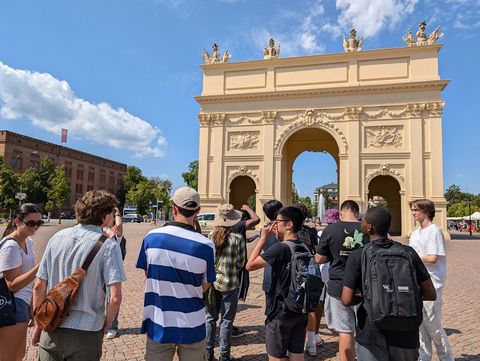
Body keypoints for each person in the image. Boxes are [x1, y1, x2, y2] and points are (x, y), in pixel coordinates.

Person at [32, 191, 126, 361]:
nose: (114, 216)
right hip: (87, 331)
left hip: (52, 326)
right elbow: (115, 298)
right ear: (104, 216)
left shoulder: (56, 237)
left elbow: (39, 286)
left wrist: (39, 324)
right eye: (113, 213)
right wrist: (106, 324)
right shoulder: (109, 247)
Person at [342, 206, 437, 361]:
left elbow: (346, 299)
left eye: (363, 221)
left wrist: (369, 296)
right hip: (407, 333)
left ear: (369, 227)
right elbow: (430, 294)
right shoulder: (408, 252)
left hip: (372, 334)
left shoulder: (358, 255)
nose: (361, 224)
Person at [136, 187, 215, 361]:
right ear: (198, 211)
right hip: (193, 322)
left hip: (160, 321)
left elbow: (148, 274)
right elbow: (206, 284)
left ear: (174, 208)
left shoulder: (151, 238)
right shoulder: (206, 245)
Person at [246, 206, 308, 361]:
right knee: (297, 354)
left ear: (289, 224)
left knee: (277, 356)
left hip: (281, 310)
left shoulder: (279, 249)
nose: (274, 224)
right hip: (300, 308)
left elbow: (250, 265)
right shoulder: (305, 246)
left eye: (278, 221)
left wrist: (262, 239)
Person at [315, 200, 363, 361]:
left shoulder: (330, 229)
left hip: (339, 286)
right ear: (358, 212)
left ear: (341, 212)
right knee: (365, 329)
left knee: (345, 330)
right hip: (364, 286)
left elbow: (320, 259)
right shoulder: (367, 229)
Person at [409, 199, 454, 361]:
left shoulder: (434, 231)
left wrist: (411, 259)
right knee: (420, 323)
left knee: (433, 323)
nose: (413, 212)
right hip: (417, 282)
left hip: (432, 283)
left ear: (426, 211)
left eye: (415, 210)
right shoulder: (415, 233)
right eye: (412, 209)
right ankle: (424, 356)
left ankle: (446, 357)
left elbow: (433, 257)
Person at [0, 204, 43, 361]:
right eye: (31, 223)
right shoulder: (11, 246)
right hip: (11, 305)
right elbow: (12, 284)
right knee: (8, 356)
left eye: (39, 223)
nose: (36, 227)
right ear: (17, 221)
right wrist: (41, 266)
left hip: (21, 303)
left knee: (19, 355)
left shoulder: (28, 242)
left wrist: (31, 304)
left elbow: (26, 280)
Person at [206, 204, 246, 361]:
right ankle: (224, 356)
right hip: (230, 284)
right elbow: (241, 263)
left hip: (211, 285)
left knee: (210, 319)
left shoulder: (210, 236)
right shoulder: (237, 239)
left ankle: (207, 353)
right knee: (227, 322)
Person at [230, 204, 260, 338]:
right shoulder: (238, 225)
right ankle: (229, 327)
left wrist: (248, 239)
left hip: (226, 269)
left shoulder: (223, 228)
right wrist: (247, 208)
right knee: (233, 299)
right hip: (238, 268)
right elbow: (257, 219)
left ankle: (226, 326)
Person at [294, 203, 320, 356]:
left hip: (295, 270)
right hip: (310, 268)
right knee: (310, 307)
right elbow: (315, 248)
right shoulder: (311, 231)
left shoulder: (292, 231)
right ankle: (311, 343)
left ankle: (296, 344)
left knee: (295, 306)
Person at [102, 206, 125, 339]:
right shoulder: (99, 230)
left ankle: (112, 326)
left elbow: (119, 225)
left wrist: (116, 212)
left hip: (111, 271)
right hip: (97, 269)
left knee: (112, 299)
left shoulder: (114, 234)